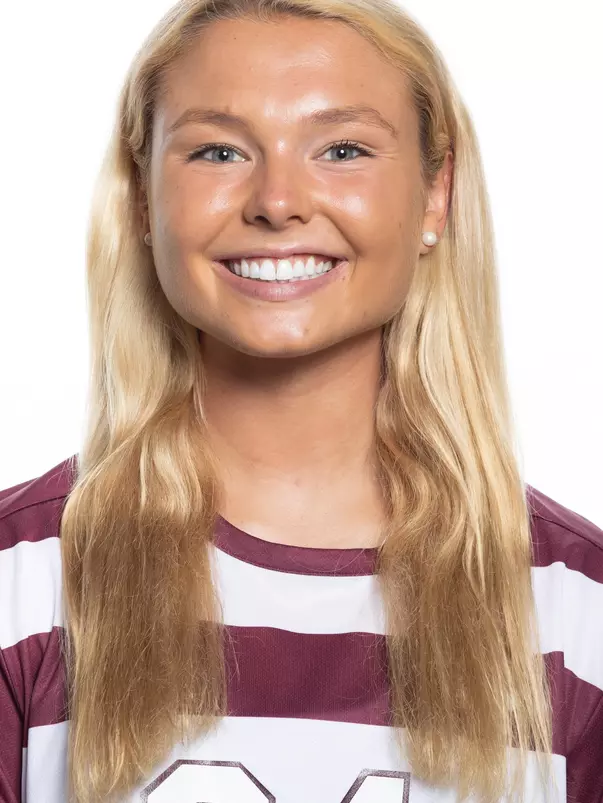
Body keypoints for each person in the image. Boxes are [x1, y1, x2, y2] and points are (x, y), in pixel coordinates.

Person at [1, 0, 602, 801]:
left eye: (342, 149)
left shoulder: (578, 612)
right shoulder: (21, 587)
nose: (277, 201)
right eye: (218, 151)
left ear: (434, 194)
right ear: (143, 200)